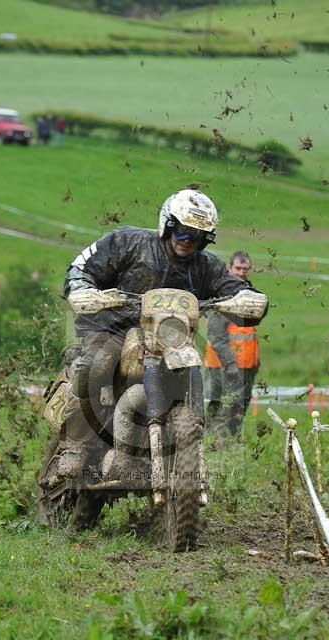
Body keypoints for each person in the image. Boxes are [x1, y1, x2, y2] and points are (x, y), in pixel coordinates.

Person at [60, 189, 268, 486]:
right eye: (182, 231)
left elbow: (231, 285)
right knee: (97, 363)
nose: (187, 241)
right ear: (168, 224)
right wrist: (83, 289)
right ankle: (77, 445)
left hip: (172, 338)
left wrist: (247, 298)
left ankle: (180, 459)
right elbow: (81, 266)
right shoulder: (128, 242)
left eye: (196, 236)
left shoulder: (205, 266)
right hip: (116, 328)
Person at [204, 251, 260, 436]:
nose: (242, 272)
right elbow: (216, 337)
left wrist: (255, 363)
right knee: (221, 409)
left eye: (245, 269)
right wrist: (230, 365)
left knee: (238, 409)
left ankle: (230, 444)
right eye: (238, 268)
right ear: (230, 268)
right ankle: (214, 448)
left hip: (247, 365)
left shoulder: (248, 294)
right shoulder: (223, 295)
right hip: (223, 366)